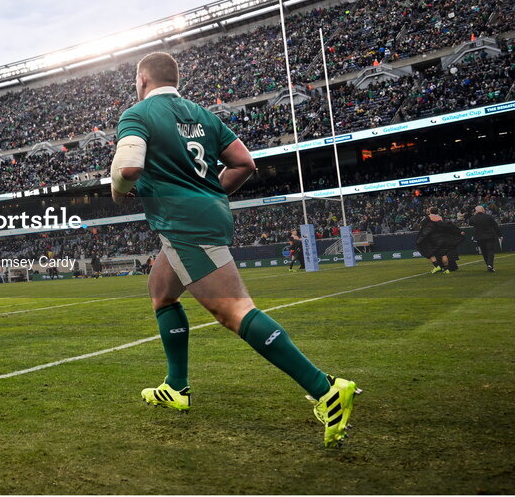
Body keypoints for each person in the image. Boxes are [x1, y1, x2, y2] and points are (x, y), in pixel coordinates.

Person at [110, 51, 359, 447]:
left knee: (234, 311)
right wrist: (208, 193)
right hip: (201, 217)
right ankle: (176, 386)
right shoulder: (203, 115)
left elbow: (128, 168)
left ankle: (325, 388)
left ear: (142, 80)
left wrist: (118, 190)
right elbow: (244, 162)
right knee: (161, 292)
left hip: (184, 223)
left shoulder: (137, 114)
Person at [415, 208, 465, 274]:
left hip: (432, 239)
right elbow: (450, 226)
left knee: (430, 253)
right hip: (442, 239)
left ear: (430, 211)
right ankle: (447, 269)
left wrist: (420, 239)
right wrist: (459, 232)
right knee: (443, 254)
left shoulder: (427, 218)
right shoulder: (441, 218)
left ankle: (437, 266)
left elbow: (423, 228)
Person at [468, 205, 500, 272]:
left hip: (479, 237)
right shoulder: (488, 217)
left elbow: (470, 223)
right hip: (489, 236)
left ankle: (488, 265)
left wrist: (475, 216)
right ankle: (490, 265)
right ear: (483, 210)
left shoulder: (473, 218)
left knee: (484, 252)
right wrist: (500, 235)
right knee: (490, 251)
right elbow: (495, 226)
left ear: (476, 211)